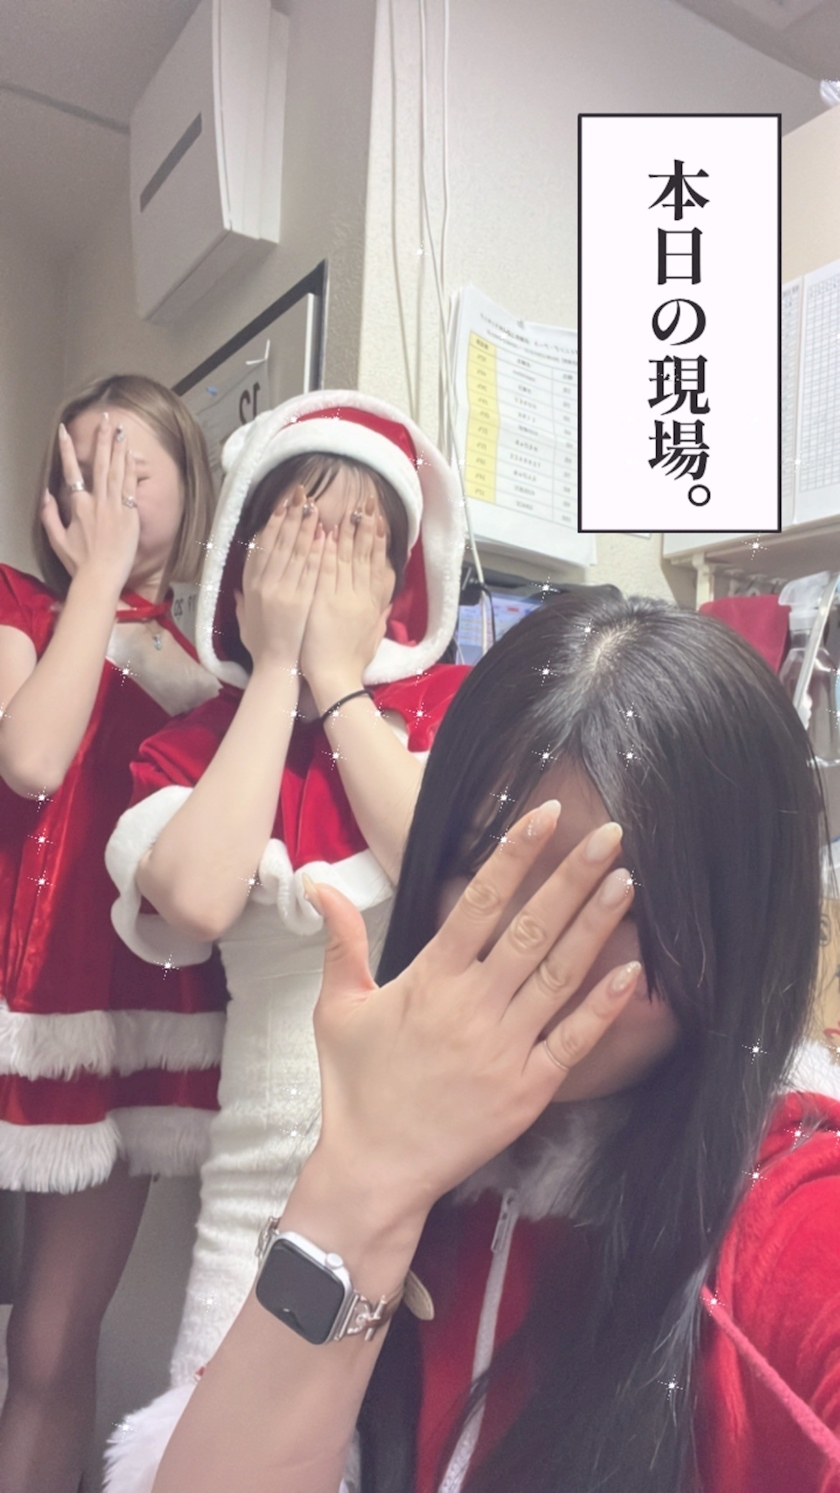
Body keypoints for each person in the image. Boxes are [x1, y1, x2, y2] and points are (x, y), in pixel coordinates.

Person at [138, 587, 840, 1493]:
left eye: (621, 896)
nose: (534, 945)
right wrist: (357, 1185)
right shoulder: (421, 1168)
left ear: (743, 925)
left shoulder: (788, 1217)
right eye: (486, 863)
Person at [102, 391, 468, 1491]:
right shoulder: (193, 746)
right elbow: (196, 896)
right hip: (255, 1194)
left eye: (356, 539)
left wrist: (340, 682)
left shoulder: (448, 716)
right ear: (244, 552)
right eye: (301, 527)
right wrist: (274, 670)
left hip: (442, 1184)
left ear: (398, 581)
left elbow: (450, 873)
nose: (322, 561)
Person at [0, 375, 229, 1493]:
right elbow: (32, 758)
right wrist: (96, 578)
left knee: (49, 1342)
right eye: (87, 467)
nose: (114, 487)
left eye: (138, 466)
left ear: (190, 486)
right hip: (17, 992)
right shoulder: (17, 606)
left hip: (131, 1018)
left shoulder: (215, 670)